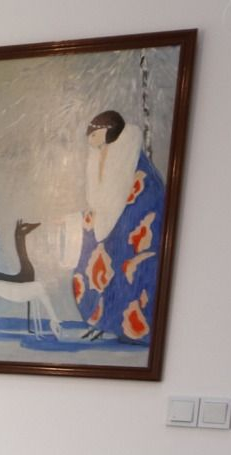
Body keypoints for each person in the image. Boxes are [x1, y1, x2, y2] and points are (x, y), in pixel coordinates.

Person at [70, 108, 166, 343]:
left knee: (123, 271)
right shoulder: (99, 154)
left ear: (106, 131)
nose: (91, 142)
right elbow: (100, 203)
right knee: (91, 265)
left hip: (132, 224)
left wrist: (121, 224)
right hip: (108, 224)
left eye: (93, 135)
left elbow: (141, 195)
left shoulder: (130, 157)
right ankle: (100, 321)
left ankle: (119, 325)